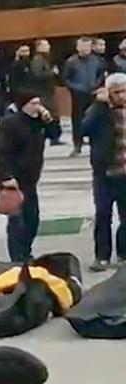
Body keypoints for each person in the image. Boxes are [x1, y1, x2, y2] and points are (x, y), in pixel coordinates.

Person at [0, 91, 51, 263]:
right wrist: (6, 176)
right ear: (24, 106)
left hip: (30, 179)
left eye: (39, 103)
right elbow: (2, 151)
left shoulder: (38, 123)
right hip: (13, 178)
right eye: (33, 103)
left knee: (32, 219)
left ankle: (26, 251)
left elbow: (54, 133)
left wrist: (49, 120)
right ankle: (18, 257)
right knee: (17, 221)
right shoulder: (10, 123)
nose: (38, 107)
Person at [83, 74, 126, 271]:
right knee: (103, 215)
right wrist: (99, 105)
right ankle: (102, 256)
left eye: (124, 91)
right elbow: (84, 129)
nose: (121, 96)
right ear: (108, 93)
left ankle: (123, 254)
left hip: (124, 172)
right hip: (105, 173)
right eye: (116, 92)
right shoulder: (99, 112)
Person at [64, 37, 107, 157]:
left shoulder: (97, 60)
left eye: (88, 46)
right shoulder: (71, 62)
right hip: (79, 95)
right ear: (78, 47)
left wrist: (97, 85)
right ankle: (77, 145)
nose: (85, 49)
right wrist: (76, 88)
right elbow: (66, 79)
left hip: (94, 94)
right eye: (83, 46)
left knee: (96, 119)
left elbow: (101, 75)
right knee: (78, 120)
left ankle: (95, 145)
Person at [32, 39, 65, 146]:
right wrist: (52, 72)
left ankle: (54, 137)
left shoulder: (45, 59)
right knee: (50, 114)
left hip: (49, 91)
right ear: (39, 47)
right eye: (46, 45)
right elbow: (37, 75)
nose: (48, 47)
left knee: (53, 114)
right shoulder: (37, 60)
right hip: (43, 92)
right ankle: (51, 137)